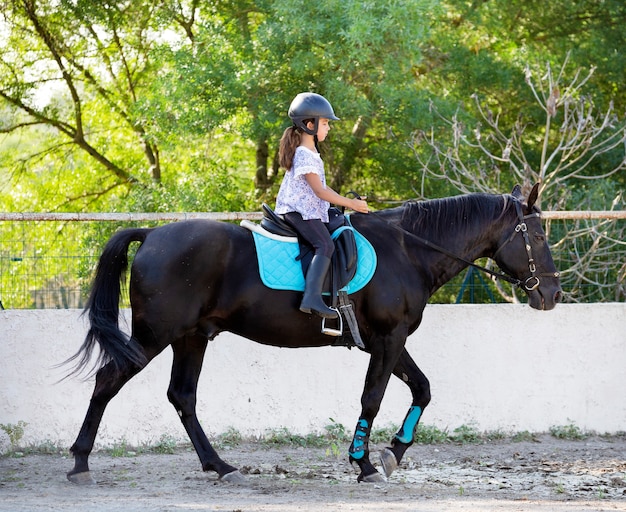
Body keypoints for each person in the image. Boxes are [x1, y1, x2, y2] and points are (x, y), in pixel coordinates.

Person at [275, 92, 369, 319]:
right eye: (325, 123)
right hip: (299, 213)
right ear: (310, 125)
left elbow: (324, 190)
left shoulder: (310, 153)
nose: (328, 128)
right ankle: (312, 298)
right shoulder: (305, 155)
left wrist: (346, 202)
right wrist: (351, 204)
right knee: (325, 245)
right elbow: (320, 191)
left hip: (307, 211)